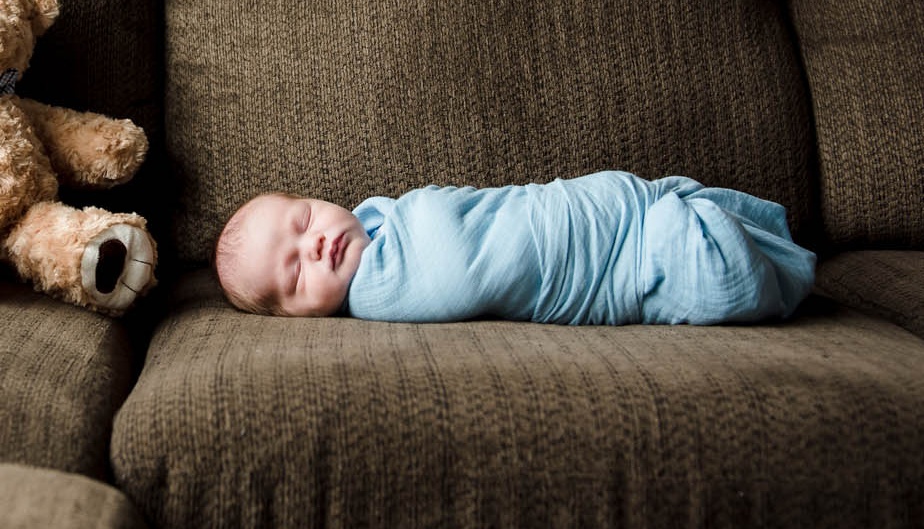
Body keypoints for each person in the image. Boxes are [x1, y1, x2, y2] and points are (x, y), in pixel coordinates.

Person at [212, 171, 816, 324]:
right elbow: (459, 268)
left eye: (305, 218)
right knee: (711, 265)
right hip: (624, 264)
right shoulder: (378, 290)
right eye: (294, 275)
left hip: (615, 208)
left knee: (686, 212)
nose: (315, 245)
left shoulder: (378, 220)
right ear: (295, 319)